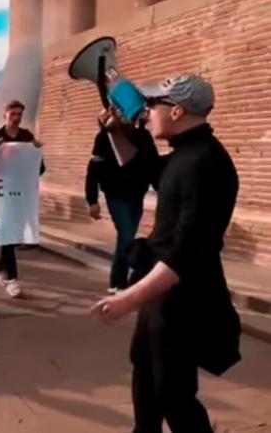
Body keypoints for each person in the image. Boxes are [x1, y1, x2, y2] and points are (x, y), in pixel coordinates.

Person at [92, 75, 241, 433]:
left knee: (173, 392)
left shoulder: (205, 165)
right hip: (164, 294)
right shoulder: (185, 154)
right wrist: (116, 131)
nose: (147, 112)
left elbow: (186, 253)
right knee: (146, 376)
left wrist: (128, 299)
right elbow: (142, 169)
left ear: (177, 110)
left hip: (184, 297)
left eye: (154, 104)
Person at [86, 106, 160, 294]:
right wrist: (92, 200)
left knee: (126, 238)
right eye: (120, 112)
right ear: (114, 114)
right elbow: (93, 169)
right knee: (126, 237)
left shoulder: (143, 137)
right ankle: (118, 283)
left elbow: (153, 165)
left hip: (137, 194)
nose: (125, 115)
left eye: (127, 112)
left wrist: (162, 189)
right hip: (115, 195)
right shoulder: (105, 137)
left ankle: (121, 280)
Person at [0, 100, 45, 298]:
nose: (16, 118)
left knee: (11, 236)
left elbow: (40, 169)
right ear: (5, 114)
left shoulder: (26, 137)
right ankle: (11, 279)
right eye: (13, 114)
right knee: (8, 233)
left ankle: (0, 270)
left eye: (19, 114)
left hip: (20, 194)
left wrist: (36, 151)